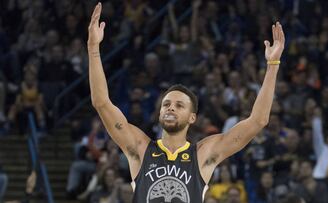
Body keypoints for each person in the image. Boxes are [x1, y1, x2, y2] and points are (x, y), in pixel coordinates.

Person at [88, 2, 285, 202]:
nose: (170, 107)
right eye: (166, 104)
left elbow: (258, 120)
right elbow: (101, 102)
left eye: (179, 105)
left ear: (192, 117)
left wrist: (272, 65)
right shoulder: (140, 148)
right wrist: (93, 48)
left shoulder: (202, 154)